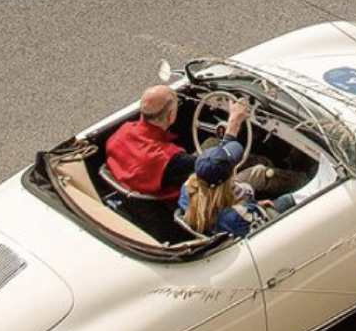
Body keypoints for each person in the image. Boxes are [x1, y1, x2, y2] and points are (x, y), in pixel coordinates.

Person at [105, 85, 247, 200]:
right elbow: (215, 169)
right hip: (191, 196)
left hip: (143, 195)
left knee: (212, 142)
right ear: (171, 116)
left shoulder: (121, 133)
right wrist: (233, 125)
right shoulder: (168, 159)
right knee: (258, 168)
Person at [179, 141, 296, 237]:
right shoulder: (238, 217)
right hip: (246, 231)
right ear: (230, 177)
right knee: (288, 200)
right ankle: (303, 177)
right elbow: (266, 230)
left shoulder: (186, 190)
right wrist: (258, 209)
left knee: (259, 171)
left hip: (219, 227)